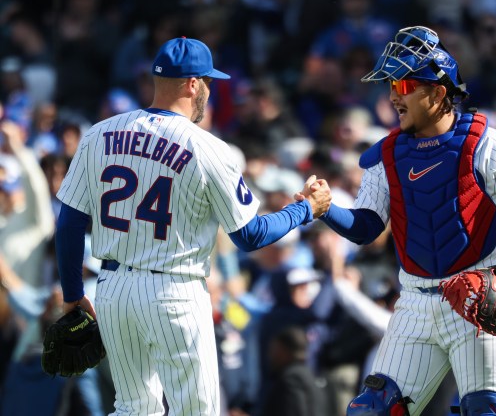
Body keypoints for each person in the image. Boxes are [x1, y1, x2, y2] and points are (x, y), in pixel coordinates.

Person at [54, 37, 331, 416]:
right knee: (195, 411)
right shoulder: (209, 148)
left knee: (133, 408)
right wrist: (304, 210)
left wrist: (72, 293)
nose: (209, 92)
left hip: (113, 287)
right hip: (174, 291)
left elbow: (69, 220)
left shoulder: (98, 134)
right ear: (192, 84)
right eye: (208, 82)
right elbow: (250, 236)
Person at [297, 26, 496, 415]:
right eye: (391, 85)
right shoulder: (385, 156)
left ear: (438, 92)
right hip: (415, 305)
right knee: (370, 410)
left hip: (479, 297)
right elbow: (367, 227)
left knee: (485, 409)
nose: (392, 95)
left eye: (404, 85)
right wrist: (326, 210)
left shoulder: (489, 145)